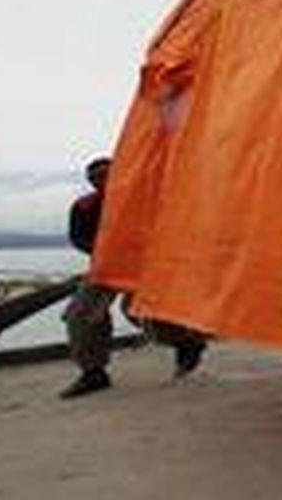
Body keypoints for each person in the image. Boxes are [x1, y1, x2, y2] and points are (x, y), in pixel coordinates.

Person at [59, 156, 207, 399]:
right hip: (105, 267)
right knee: (80, 313)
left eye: (106, 173)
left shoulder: (146, 198)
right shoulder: (83, 206)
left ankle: (186, 343)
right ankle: (93, 372)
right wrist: (103, 251)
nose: (101, 179)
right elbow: (78, 238)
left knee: (143, 313)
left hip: (146, 267)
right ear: (91, 182)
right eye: (95, 177)